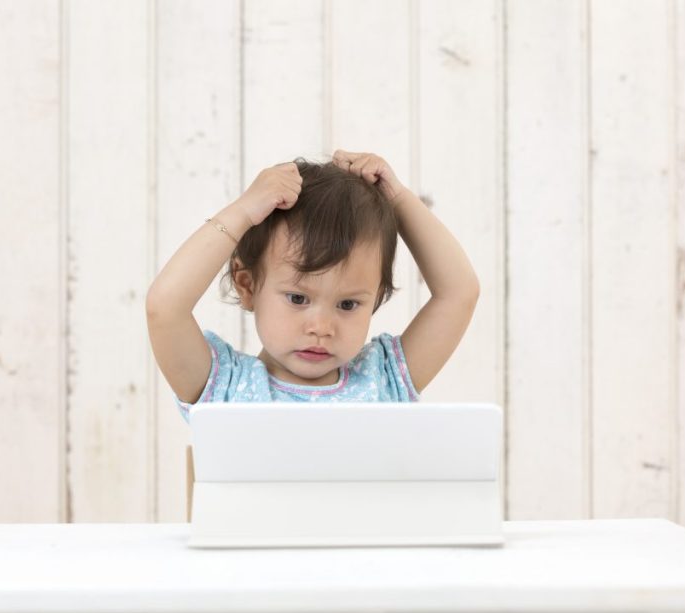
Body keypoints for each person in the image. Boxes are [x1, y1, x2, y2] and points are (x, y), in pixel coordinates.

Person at [146, 149, 479, 422]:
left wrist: (398, 199)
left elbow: (459, 292)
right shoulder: (226, 389)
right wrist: (244, 211)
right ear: (247, 286)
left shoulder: (382, 381)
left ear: (376, 299)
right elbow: (165, 307)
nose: (321, 328)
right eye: (297, 298)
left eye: (348, 305)